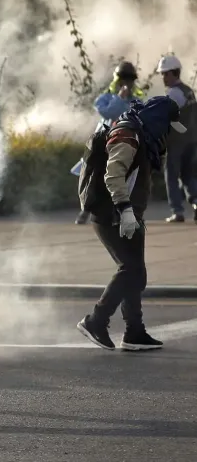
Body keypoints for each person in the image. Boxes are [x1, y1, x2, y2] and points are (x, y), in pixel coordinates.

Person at [76, 96, 186, 352]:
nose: (168, 134)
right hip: (112, 215)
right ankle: (95, 321)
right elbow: (113, 174)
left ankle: (134, 332)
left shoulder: (143, 136)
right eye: (168, 127)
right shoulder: (128, 135)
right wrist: (125, 209)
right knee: (131, 270)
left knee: (136, 274)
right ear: (158, 121)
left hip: (128, 215)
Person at [76, 61, 146, 225]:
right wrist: (119, 98)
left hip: (125, 144)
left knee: (124, 178)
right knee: (94, 176)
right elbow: (108, 112)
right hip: (104, 143)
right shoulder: (105, 98)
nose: (127, 83)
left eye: (130, 80)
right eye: (123, 79)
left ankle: (122, 213)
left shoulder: (136, 101)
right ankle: (86, 209)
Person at [155, 55, 197, 222]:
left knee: (171, 175)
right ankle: (196, 202)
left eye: (166, 74)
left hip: (177, 142)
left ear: (174, 73)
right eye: (162, 74)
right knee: (188, 175)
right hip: (192, 139)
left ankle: (177, 211)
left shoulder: (173, 94)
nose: (163, 77)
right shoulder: (188, 91)